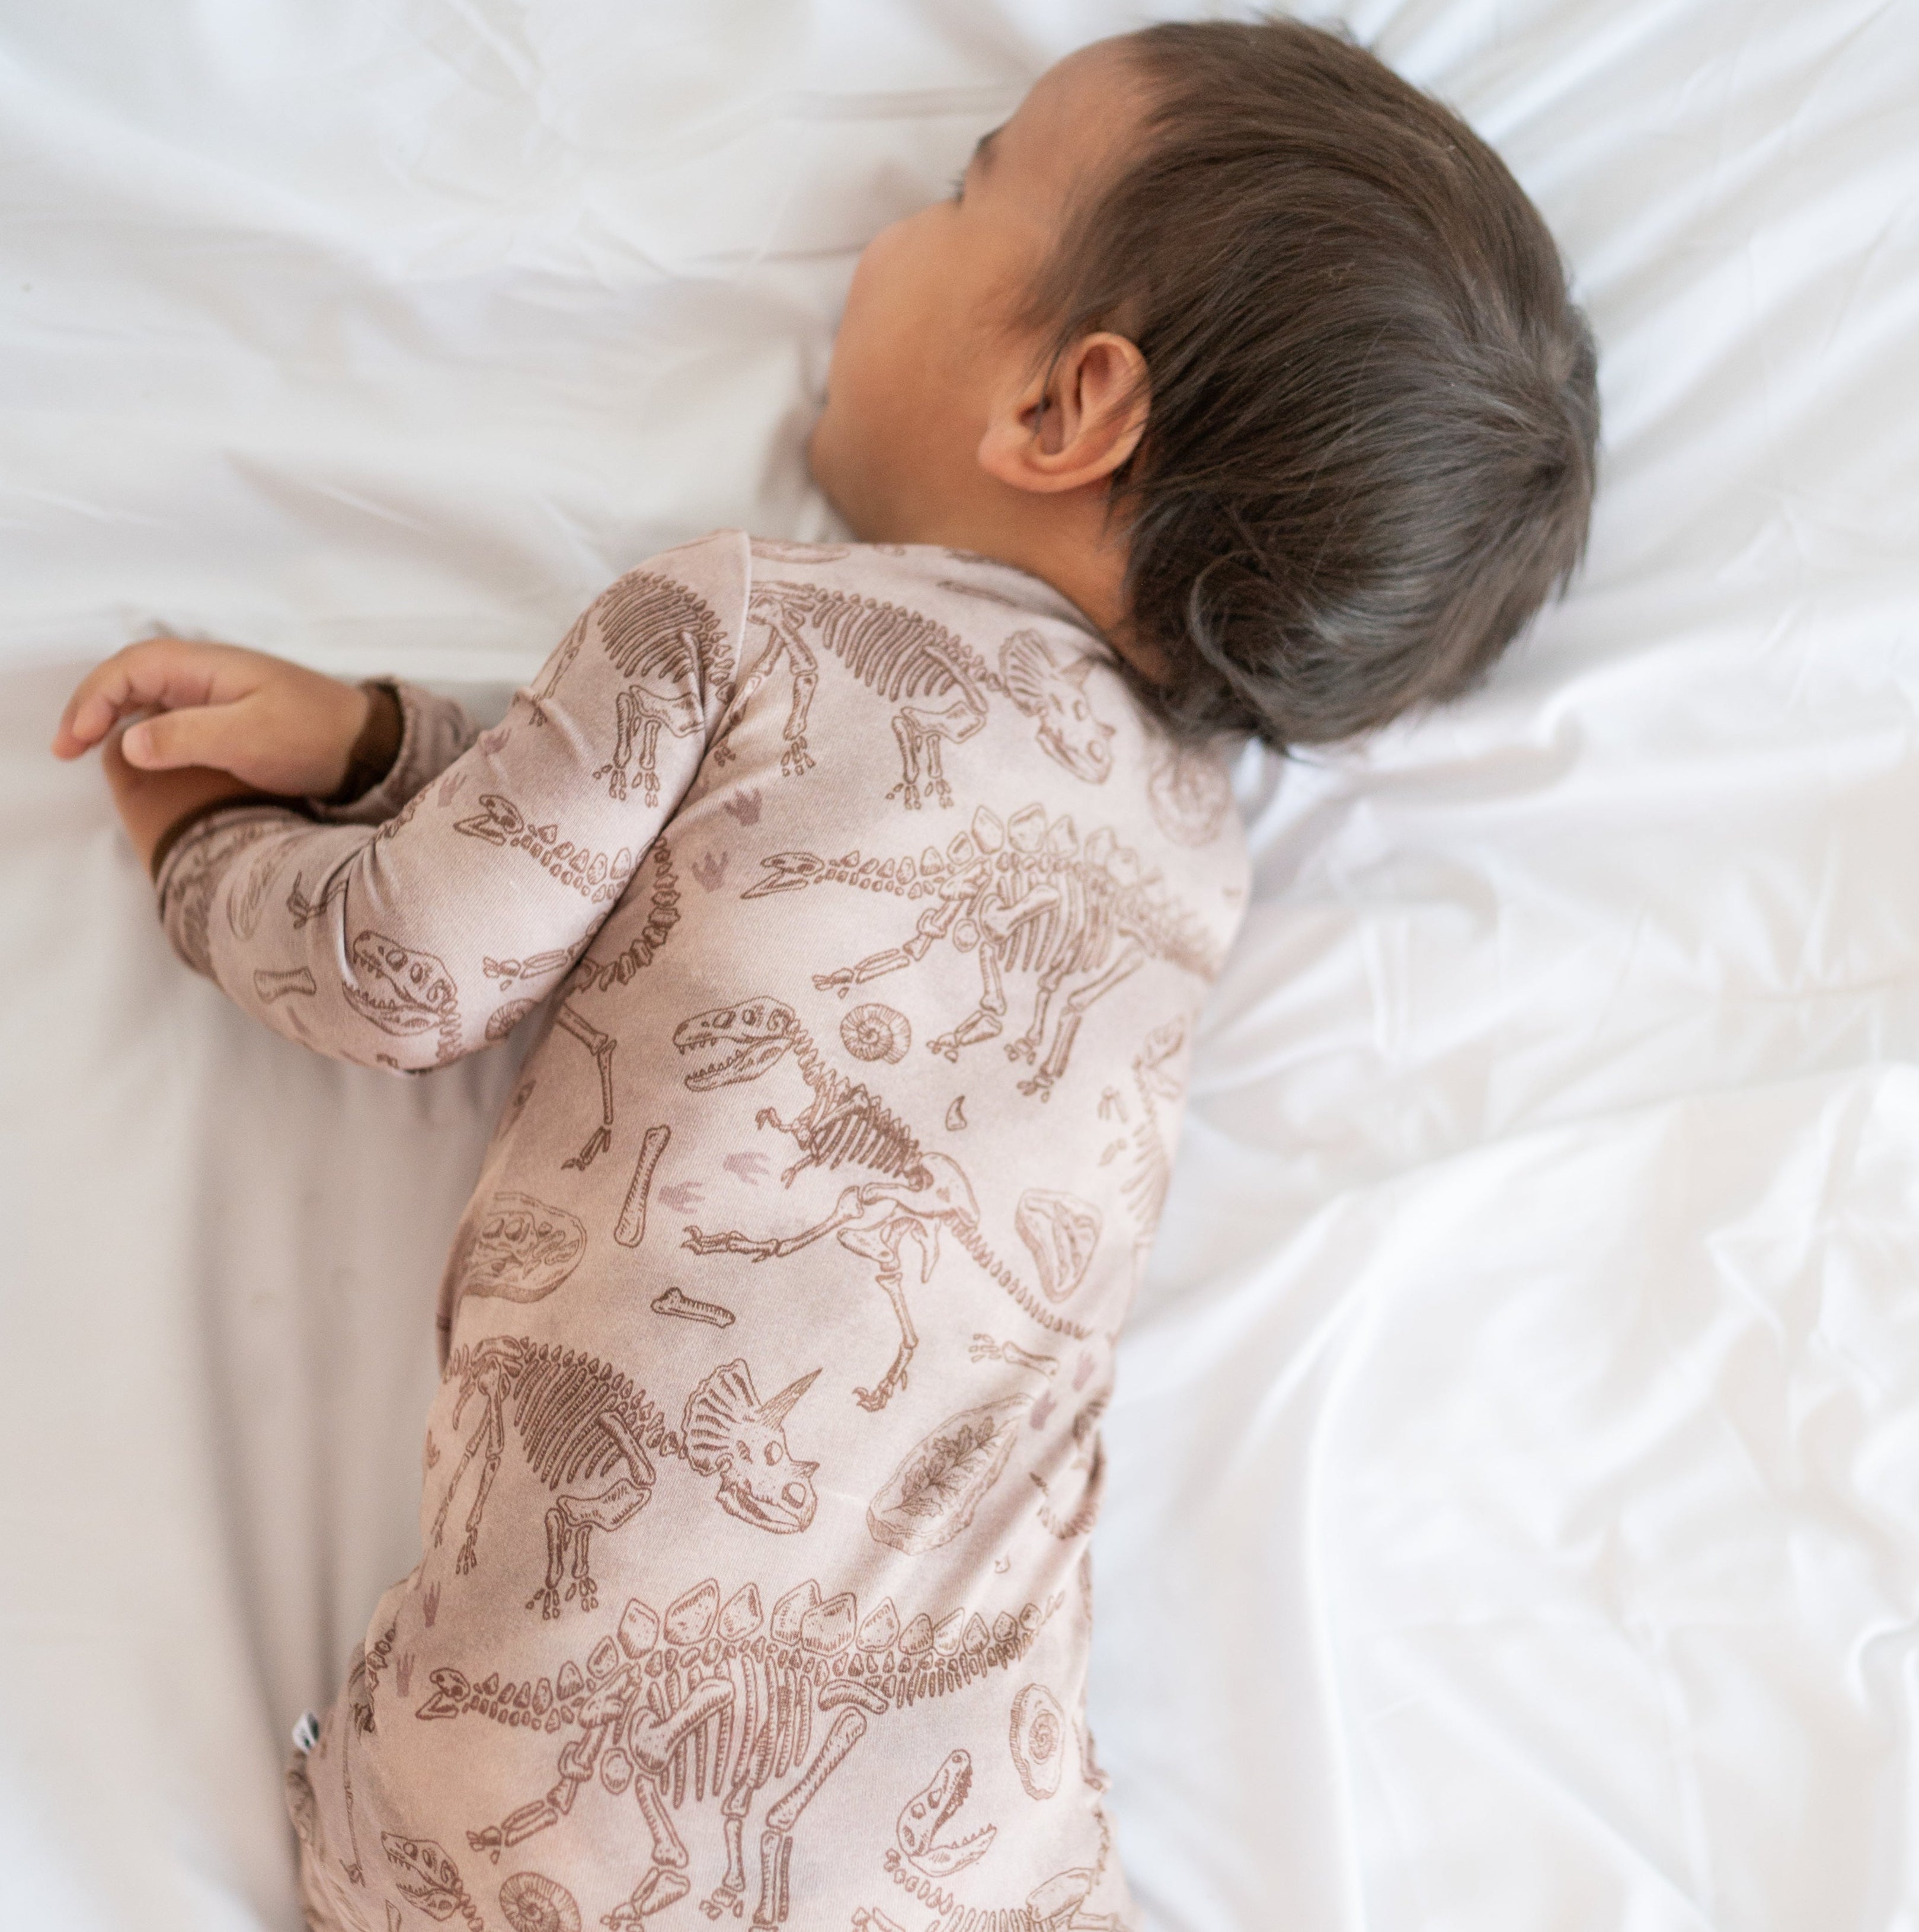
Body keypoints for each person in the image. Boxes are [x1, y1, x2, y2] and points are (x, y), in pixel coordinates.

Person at [52, 21, 1596, 1930]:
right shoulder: (1192, 854)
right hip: (971, 1810)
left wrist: (204, 847)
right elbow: (703, 882)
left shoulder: (733, 616)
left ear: (1063, 406)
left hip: (526, 1775)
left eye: (967, 186)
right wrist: (381, 740)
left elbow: (414, 966)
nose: (890, 221)